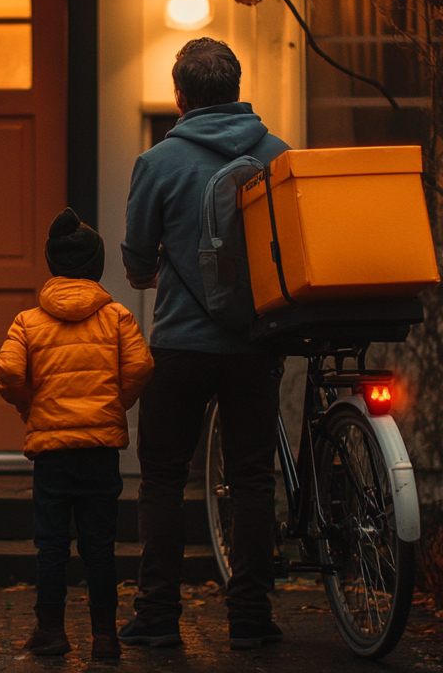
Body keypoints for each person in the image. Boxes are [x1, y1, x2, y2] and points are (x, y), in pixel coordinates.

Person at [118, 37, 291, 650]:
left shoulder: (157, 163)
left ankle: (159, 614)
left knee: (163, 477)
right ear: (238, 91)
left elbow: (139, 260)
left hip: (182, 347)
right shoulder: (279, 156)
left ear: (181, 97)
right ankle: (250, 614)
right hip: (255, 344)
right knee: (252, 480)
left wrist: (160, 265)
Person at [0, 207, 155, 660]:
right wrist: (114, 405)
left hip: (52, 450)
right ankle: (105, 637)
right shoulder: (117, 317)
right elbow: (141, 367)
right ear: (96, 267)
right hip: (100, 449)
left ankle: (51, 631)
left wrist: (30, 404)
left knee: (51, 544)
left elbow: (7, 370)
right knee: (99, 545)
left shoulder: (28, 322)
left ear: (52, 265)